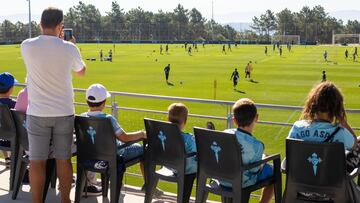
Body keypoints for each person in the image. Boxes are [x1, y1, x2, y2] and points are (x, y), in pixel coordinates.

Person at [21, 7, 86, 203]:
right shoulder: (69, 48)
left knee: (36, 161)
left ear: (40, 24)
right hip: (64, 112)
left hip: (37, 113)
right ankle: (65, 200)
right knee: (63, 159)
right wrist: (69, 44)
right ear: (61, 26)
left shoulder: (26, 45)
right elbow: (81, 71)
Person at [81, 84, 155, 195]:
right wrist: (142, 134)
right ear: (104, 103)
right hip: (114, 155)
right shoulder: (108, 119)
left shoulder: (82, 116)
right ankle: (149, 186)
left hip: (93, 156)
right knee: (144, 149)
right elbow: (125, 138)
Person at [220, 98, 274, 203]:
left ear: (234, 120)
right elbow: (254, 171)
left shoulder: (224, 133)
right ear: (256, 118)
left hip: (222, 179)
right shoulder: (257, 146)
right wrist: (264, 161)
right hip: (242, 182)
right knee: (274, 171)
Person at [288, 82, 357, 162]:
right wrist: (343, 122)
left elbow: (290, 153)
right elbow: (354, 144)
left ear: (311, 104)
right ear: (336, 108)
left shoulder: (297, 127)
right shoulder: (341, 133)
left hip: (301, 174)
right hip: (331, 174)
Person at [167, 103, 197, 176]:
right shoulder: (188, 138)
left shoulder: (164, 135)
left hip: (171, 166)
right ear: (185, 121)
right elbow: (195, 150)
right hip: (187, 170)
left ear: (168, 119)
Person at [0, 72, 18, 168]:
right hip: (14, 139)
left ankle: (7, 158)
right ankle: (15, 160)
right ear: (11, 89)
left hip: (1, 138)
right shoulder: (14, 104)